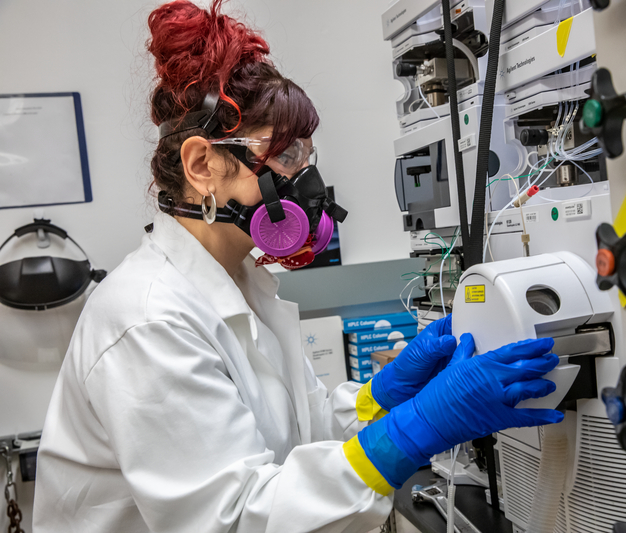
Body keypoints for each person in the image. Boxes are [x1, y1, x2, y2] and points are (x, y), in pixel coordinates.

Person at [31, 2, 564, 532]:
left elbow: (298, 434)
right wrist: (418, 428)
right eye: (285, 156)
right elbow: (236, 518)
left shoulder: (242, 281)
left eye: (307, 156)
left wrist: (381, 398)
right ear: (202, 165)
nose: (307, 181)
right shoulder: (146, 321)